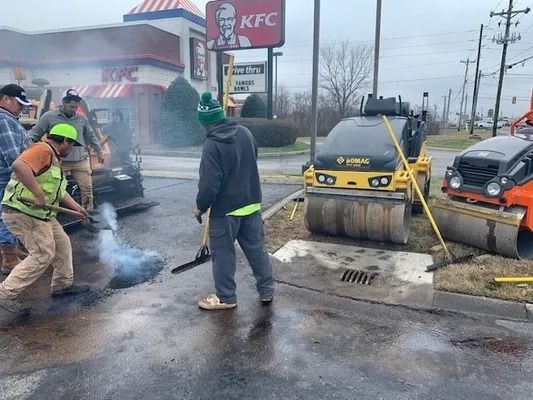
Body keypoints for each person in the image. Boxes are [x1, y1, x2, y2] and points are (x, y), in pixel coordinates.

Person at [194, 92, 274, 310]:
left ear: (206, 123)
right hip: (251, 204)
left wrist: (200, 206)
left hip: (225, 211)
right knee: (257, 249)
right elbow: (251, 161)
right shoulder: (245, 133)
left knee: (223, 255)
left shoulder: (211, 145)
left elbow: (209, 184)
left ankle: (226, 297)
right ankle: (267, 290)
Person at [0, 124, 89, 315]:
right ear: (65, 141)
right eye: (72, 144)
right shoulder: (42, 149)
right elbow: (19, 165)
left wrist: (77, 208)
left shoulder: (54, 157)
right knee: (43, 254)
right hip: (23, 212)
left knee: (62, 243)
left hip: (42, 215)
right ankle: (5, 294)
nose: (71, 149)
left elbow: (59, 190)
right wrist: (38, 194)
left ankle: (62, 285)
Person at [29, 88, 104, 213]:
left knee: (87, 190)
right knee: (54, 189)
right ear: (63, 102)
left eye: (76, 103)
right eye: (70, 103)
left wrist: (99, 151)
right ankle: (52, 215)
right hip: (58, 162)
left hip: (79, 161)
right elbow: (34, 134)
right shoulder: (49, 117)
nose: (74, 106)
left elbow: (90, 136)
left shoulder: (81, 119)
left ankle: (87, 216)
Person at [0, 84, 32, 275]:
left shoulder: (9, 119)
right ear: (5, 99)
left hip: (5, 176)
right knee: (7, 217)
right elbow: (14, 156)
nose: (22, 108)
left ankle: (10, 250)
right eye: (19, 104)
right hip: (5, 177)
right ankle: (9, 259)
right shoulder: (4, 120)